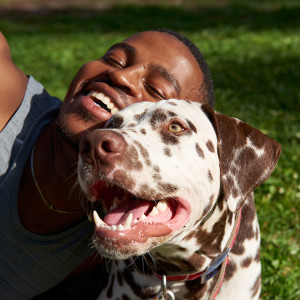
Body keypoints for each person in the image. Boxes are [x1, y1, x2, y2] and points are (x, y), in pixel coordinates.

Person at [0, 28, 215, 298]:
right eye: (114, 59)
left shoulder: (114, 236)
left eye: (155, 89)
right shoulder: (6, 101)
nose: (120, 75)